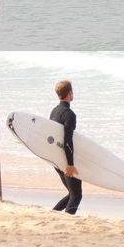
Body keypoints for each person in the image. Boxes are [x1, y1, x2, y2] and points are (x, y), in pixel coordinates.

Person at [50, 79, 81, 215]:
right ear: (69, 93)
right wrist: (70, 164)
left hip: (55, 159)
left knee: (72, 192)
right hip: (64, 160)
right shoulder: (70, 115)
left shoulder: (54, 111)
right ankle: (68, 218)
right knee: (76, 195)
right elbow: (67, 140)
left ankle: (53, 213)